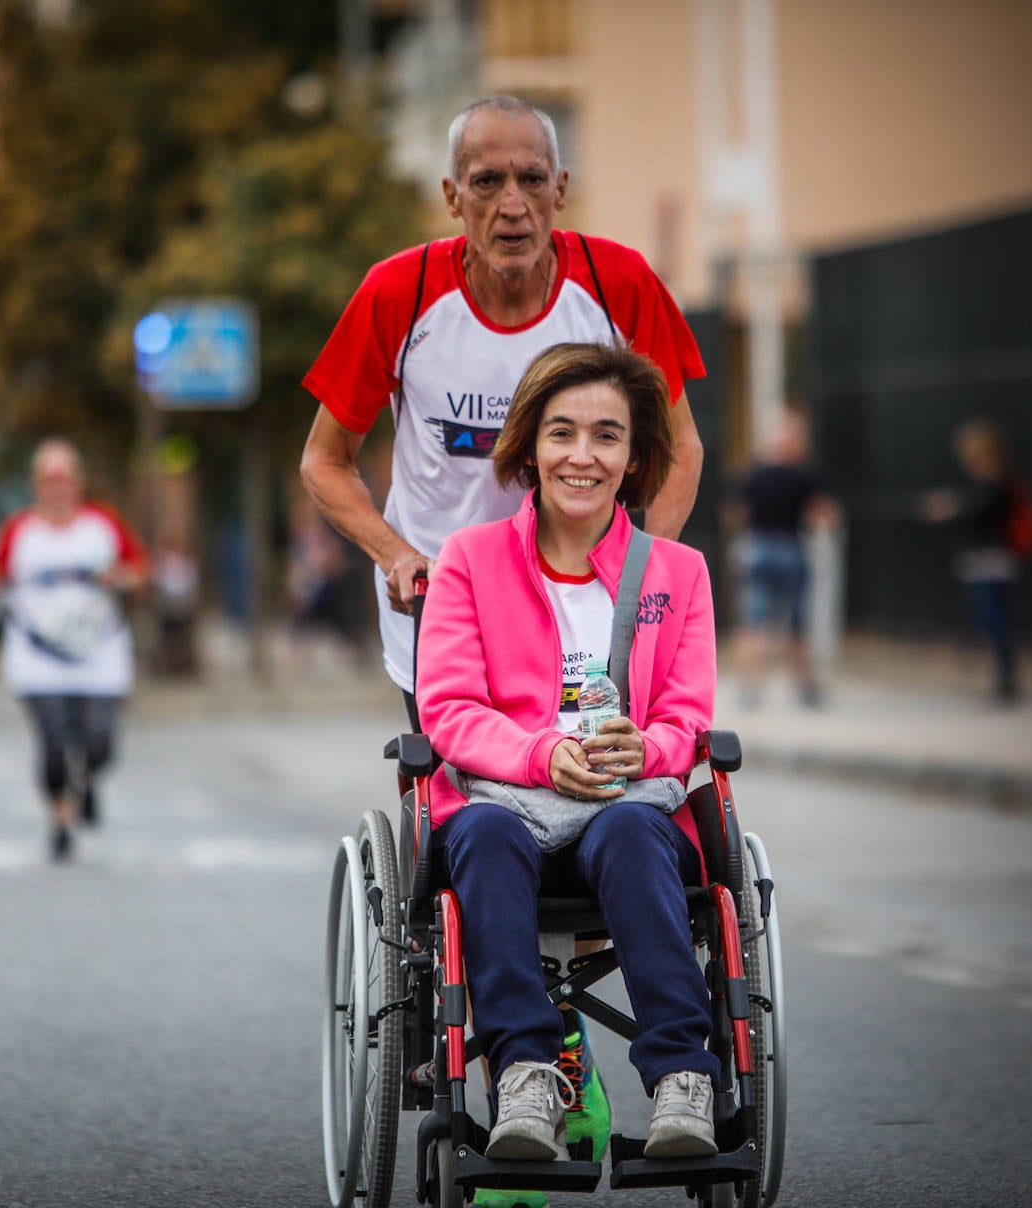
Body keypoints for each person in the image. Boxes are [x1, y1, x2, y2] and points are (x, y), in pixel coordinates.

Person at [300, 95, 707, 1184]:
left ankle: (627, 1057)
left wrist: (641, 584)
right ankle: (536, 1049)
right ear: (454, 198)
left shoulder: (615, 285)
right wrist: (393, 552)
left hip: (591, 609)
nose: (512, 201)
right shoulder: (403, 294)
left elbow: (682, 450)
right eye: (488, 181)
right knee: (486, 823)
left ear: (561, 191)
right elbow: (324, 461)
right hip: (451, 620)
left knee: (614, 819)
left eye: (533, 178)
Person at [416, 342, 721, 1165]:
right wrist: (541, 753)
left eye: (607, 435)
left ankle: (682, 1079)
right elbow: (446, 709)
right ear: (529, 446)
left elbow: (688, 719)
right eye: (561, 432)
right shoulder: (468, 565)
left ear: (634, 458)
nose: (582, 455)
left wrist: (646, 744)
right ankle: (524, 1072)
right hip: (506, 804)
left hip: (625, 811)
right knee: (479, 834)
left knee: (628, 834)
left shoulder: (680, 574)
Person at [0, 439, 149, 859]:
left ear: (78, 483)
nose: (57, 489)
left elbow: (139, 571)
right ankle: (60, 820)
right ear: (36, 485)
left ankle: (87, 780)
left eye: (64, 479)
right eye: (48, 481)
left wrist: (119, 579)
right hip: (37, 656)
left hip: (99, 652)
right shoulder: (19, 529)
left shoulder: (102, 524)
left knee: (99, 742)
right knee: (53, 741)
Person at [724, 410, 837, 708]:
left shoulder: (755, 474)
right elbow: (825, 515)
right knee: (798, 624)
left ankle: (750, 687)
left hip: (758, 548)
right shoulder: (805, 475)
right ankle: (806, 687)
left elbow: (735, 513)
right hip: (792, 548)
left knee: (753, 621)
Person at [920, 418, 1030, 703]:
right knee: (989, 619)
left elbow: (979, 513)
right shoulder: (983, 482)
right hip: (981, 559)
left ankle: (1006, 680)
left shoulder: (998, 481)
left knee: (996, 619)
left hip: (995, 559)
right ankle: (1001, 676)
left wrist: (951, 508)